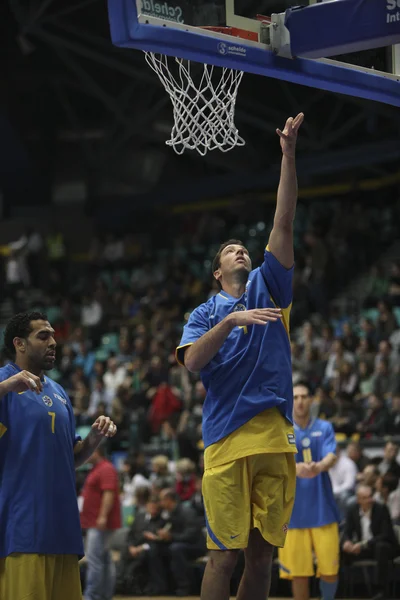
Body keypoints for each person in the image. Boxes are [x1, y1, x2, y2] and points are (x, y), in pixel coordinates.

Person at [176, 113, 304, 600]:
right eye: (230, 250)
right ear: (216, 272)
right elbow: (191, 364)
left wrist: (288, 157)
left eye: (242, 247)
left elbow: (283, 220)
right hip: (226, 440)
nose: (240, 251)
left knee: (260, 555)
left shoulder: (269, 285)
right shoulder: (205, 313)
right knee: (222, 555)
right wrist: (230, 322)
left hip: (273, 434)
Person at [0, 311, 117, 600]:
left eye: (53, 335)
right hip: (23, 529)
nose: (53, 342)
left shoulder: (60, 392)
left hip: (63, 528)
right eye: (43, 336)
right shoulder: (3, 383)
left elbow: (71, 457)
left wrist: (93, 439)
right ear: (20, 344)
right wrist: (5, 387)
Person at [279, 382, 340, 600]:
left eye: (304, 397)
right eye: (295, 397)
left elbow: (331, 456)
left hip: (323, 511)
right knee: (299, 574)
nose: (300, 401)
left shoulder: (324, 428)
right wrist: (296, 468)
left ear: (311, 400)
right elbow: (277, 463)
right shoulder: (282, 429)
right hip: (293, 514)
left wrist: (319, 466)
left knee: (329, 571)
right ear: (289, 400)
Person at [342, 484, 400, 599]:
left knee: (380, 547)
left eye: (370, 496)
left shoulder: (381, 509)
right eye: (365, 498)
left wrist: (363, 544)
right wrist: (347, 542)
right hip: (364, 548)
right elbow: (346, 531)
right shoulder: (352, 510)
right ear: (358, 500)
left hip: (386, 547)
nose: (370, 500)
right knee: (342, 550)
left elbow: (385, 534)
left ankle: (380, 590)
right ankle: (343, 589)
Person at [80, 444, 122, 600]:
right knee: (103, 559)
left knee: (95, 559)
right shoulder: (98, 468)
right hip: (95, 522)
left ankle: (93, 595)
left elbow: (109, 493)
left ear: (96, 451)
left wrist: (102, 516)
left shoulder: (105, 468)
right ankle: (104, 595)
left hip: (99, 523)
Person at [146, 489, 206, 596]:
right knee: (155, 549)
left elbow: (191, 535)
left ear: (169, 500)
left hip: (195, 545)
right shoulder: (167, 513)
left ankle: (185, 587)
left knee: (176, 549)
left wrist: (171, 537)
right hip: (177, 542)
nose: (160, 503)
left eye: (161, 500)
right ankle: (160, 586)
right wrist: (159, 534)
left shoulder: (187, 512)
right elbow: (162, 528)